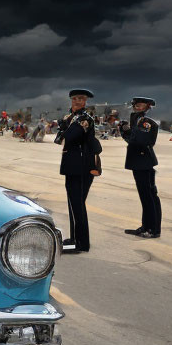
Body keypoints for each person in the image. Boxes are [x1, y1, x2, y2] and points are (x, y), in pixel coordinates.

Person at [56, 89, 100, 253]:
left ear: (86, 101)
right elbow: (61, 135)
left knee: (77, 204)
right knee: (73, 204)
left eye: (81, 99)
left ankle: (81, 243)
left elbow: (70, 135)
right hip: (73, 164)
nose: (77, 101)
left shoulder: (84, 119)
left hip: (81, 165)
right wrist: (65, 125)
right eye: (74, 98)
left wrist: (65, 125)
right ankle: (75, 238)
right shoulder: (72, 118)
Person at [120, 97, 161, 238]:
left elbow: (142, 141)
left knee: (149, 197)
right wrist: (124, 131)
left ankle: (152, 229)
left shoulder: (146, 123)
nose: (137, 107)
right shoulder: (137, 121)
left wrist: (130, 130)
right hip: (139, 161)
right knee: (145, 197)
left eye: (141, 105)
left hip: (144, 161)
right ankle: (146, 226)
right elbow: (131, 139)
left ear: (147, 107)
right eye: (136, 105)